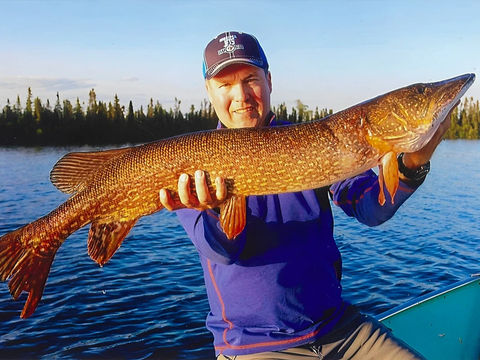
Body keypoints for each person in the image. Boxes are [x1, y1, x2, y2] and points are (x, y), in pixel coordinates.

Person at [159, 31, 452, 359]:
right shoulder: (194, 162)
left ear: (269, 80)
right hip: (255, 344)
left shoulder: (318, 141)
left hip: (339, 329)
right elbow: (223, 252)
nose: (241, 95)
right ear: (209, 92)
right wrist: (213, 210)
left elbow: (371, 208)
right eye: (225, 85)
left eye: (250, 79)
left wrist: (412, 163)